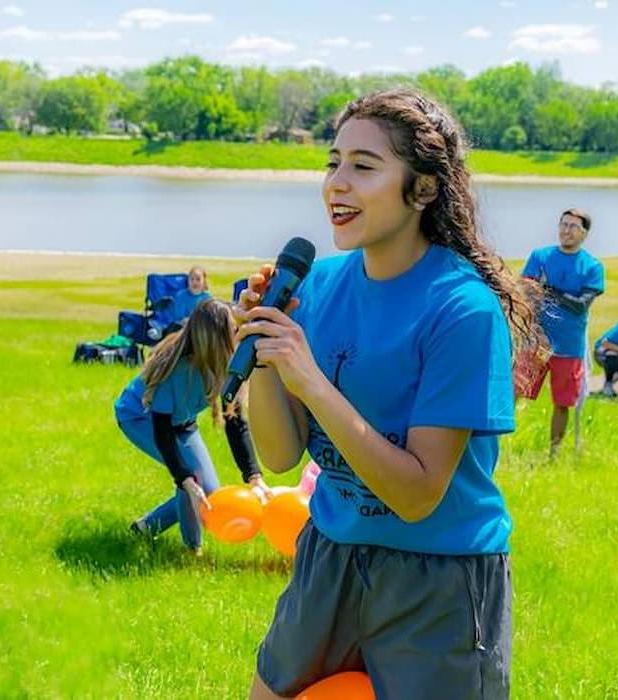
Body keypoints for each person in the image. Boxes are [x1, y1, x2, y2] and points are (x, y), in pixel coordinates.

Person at [238, 90, 544, 699]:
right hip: (331, 553)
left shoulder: (462, 309)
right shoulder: (319, 285)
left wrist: (312, 381)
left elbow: (417, 494)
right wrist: (268, 355)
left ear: (424, 189)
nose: (337, 185)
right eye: (333, 163)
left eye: (364, 166)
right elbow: (279, 458)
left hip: (439, 577)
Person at [114, 298, 271, 555]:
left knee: (209, 493)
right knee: (191, 481)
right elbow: (162, 431)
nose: (238, 334)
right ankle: (192, 551)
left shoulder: (226, 363)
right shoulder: (176, 370)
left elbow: (235, 422)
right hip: (141, 418)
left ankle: (145, 528)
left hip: (182, 422)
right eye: (233, 330)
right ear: (214, 339)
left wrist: (255, 477)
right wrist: (184, 477)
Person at [519, 209, 605, 454]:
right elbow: (526, 292)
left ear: (584, 233)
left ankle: (553, 453)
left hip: (568, 347)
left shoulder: (592, 267)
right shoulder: (540, 256)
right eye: (563, 224)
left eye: (573, 227)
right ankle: (497, 447)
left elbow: (580, 306)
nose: (566, 230)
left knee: (562, 403)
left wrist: (548, 288)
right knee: (513, 393)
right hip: (536, 342)